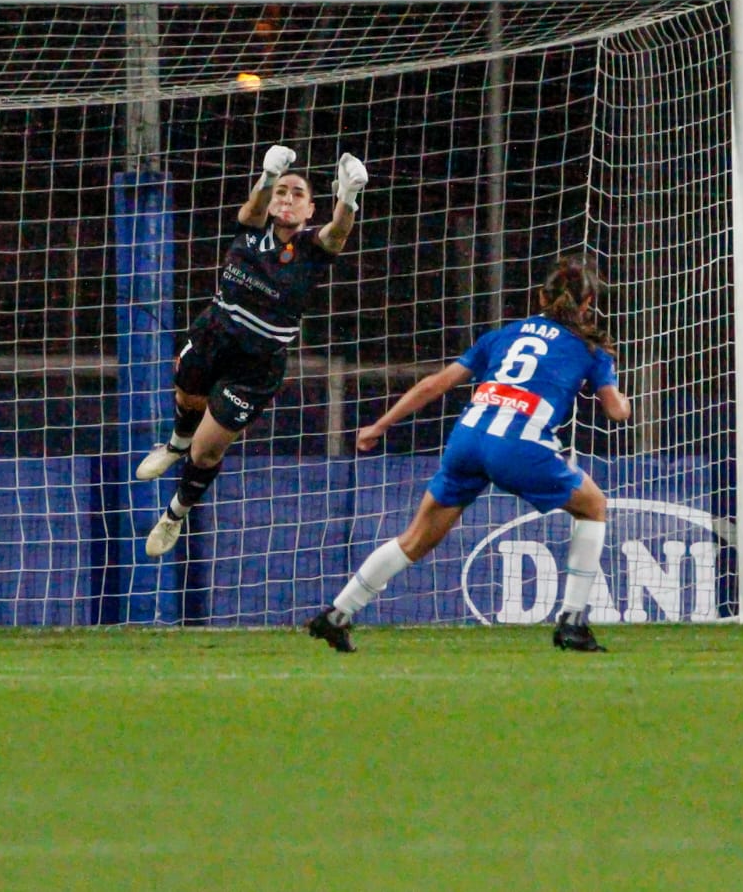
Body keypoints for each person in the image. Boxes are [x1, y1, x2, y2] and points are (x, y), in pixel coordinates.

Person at [308, 259, 631, 654]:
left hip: (467, 438)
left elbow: (435, 384)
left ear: (541, 296)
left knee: (415, 538)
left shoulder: (502, 335)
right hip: (518, 444)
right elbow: (615, 411)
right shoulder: (591, 349)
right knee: (594, 505)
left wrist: (380, 425)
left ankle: (337, 614)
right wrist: (622, 397)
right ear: (588, 304)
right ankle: (573, 621)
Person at [136, 144, 368, 557]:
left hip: (256, 364)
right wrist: (266, 177)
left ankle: (173, 516)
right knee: (186, 395)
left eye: (298, 193)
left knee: (208, 450)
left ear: (311, 209)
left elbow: (340, 231)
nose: (288, 198)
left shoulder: (314, 249)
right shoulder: (251, 227)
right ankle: (174, 445)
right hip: (215, 333)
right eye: (283, 191)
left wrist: (348, 198)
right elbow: (253, 208)